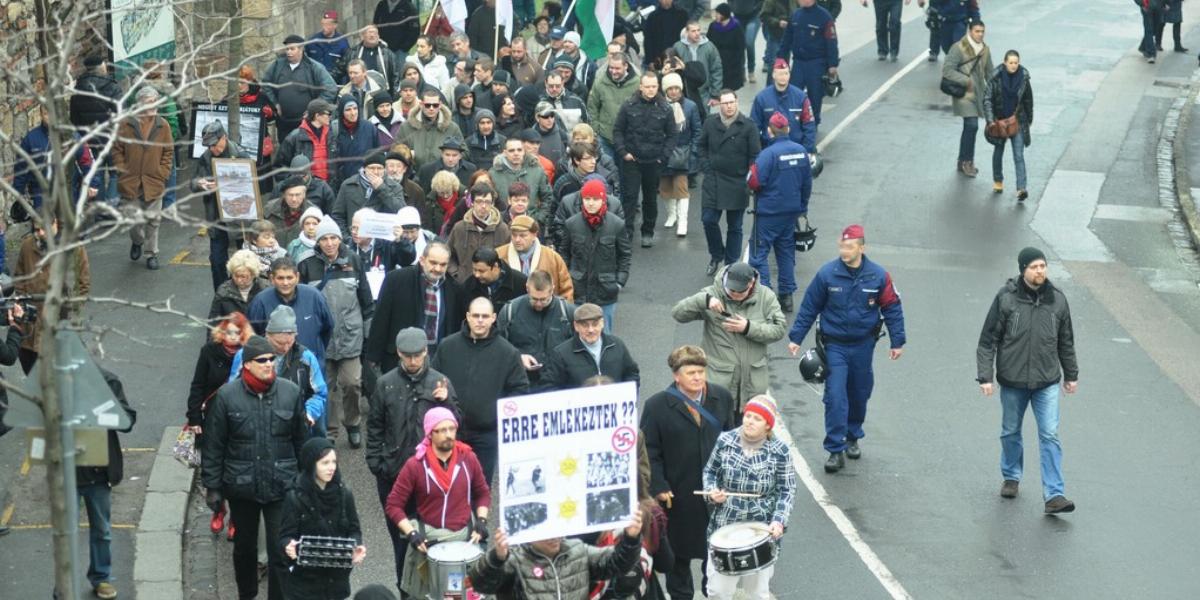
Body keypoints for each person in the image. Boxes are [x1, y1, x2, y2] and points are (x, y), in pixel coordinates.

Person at [786, 224, 906, 473]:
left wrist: (898, 341)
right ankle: (835, 449)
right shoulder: (827, 274)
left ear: (861, 248)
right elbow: (810, 307)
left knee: (859, 393)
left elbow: (892, 307)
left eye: (849, 247)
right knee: (836, 397)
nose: (844, 251)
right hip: (835, 346)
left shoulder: (878, 276)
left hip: (863, 345)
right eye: (842, 246)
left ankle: (853, 436)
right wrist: (796, 337)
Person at [203, 335, 308, 600]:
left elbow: (300, 441)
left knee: (281, 550)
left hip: (281, 485)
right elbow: (214, 445)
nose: (269, 364)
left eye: (272, 359)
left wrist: (305, 482)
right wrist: (213, 487)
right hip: (242, 487)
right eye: (262, 360)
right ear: (247, 364)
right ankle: (247, 595)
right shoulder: (227, 397)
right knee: (245, 550)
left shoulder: (290, 392)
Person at [975, 247, 1079, 514]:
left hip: (1046, 382)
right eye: (1034, 267)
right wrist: (985, 376)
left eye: (1043, 266)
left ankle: (1054, 495)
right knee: (1010, 431)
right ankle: (1011, 476)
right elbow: (988, 341)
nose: (1040, 271)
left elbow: (1066, 341)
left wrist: (1071, 375)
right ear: (1023, 269)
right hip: (1013, 381)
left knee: (1050, 435)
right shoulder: (1006, 299)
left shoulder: (1057, 300)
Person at [367, 327, 460, 592]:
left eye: (418, 355)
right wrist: (377, 464)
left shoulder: (440, 382)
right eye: (407, 356)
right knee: (400, 540)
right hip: (394, 475)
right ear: (398, 353)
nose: (413, 361)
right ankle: (404, 590)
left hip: (432, 478)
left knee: (433, 537)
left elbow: (457, 426)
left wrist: (447, 404)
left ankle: (432, 591)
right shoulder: (385, 383)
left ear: (426, 352)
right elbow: (374, 426)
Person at [640, 345, 737, 600]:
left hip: (716, 494)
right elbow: (650, 451)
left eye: (701, 371)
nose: (697, 377)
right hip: (678, 494)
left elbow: (731, 440)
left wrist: (730, 479)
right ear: (676, 376)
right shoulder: (657, 406)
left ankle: (710, 593)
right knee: (677, 558)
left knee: (714, 554)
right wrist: (659, 486)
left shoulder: (722, 397)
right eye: (691, 372)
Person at [386, 407, 491, 599]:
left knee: (466, 597)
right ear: (429, 433)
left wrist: (482, 521)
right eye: (441, 430)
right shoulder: (415, 465)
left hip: (465, 538)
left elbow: (482, 493)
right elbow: (393, 505)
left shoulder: (469, 458)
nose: (448, 435)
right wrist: (412, 533)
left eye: (452, 429)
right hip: (429, 539)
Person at [701, 396, 796, 600]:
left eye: (757, 418)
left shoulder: (781, 451)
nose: (750, 421)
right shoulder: (725, 440)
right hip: (725, 523)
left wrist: (778, 521)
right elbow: (710, 472)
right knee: (718, 590)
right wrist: (712, 492)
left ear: (768, 425)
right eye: (748, 415)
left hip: (760, 528)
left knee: (757, 593)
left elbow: (786, 490)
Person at [430, 296, 528, 481]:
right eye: (476, 316)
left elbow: (519, 389)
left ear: (493, 318)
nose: (480, 320)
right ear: (467, 316)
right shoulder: (447, 346)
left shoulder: (508, 353)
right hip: (449, 431)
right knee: (446, 486)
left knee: (479, 488)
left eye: (485, 316)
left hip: (486, 434)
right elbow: (433, 380)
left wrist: (499, 415)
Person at [298, 217, 374, 446]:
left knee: (352, 383)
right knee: (326, 387)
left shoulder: (353, 259)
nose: (329, 243)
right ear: (317, 241)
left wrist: (369, 333)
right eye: (324, 239)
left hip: (350, 334)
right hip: (321, 338)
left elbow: (366, 299)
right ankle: (329, 433)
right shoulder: (306, 264)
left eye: (333, 238)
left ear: (340, 239)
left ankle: (352, 423)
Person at [672, 263, 786, 410]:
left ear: (751, 284)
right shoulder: (713, 293)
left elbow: (779, 329)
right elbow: (678, 314)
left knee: (748, 431)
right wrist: (703, 300)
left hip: (753, 386)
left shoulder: (766, 297)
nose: (734, 294)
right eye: (731, 289)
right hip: (718, 385)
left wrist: (748, 327)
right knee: (715, 430)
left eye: (740, 291)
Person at [69, 368, 136, 600]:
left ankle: (101, 578)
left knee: (102, 530)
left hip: (97, 469)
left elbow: (127, 420)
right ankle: (64, 584)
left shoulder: (107, 380)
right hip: (66, 469)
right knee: (65, 532)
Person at [469, 513, 644, 598]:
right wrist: (496, 558)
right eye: (546, 533)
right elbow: (481, 585)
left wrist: (631, 539)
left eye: (557, 530)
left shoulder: (578, 550)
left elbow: (617, 564)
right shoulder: (515, 560)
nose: (554, 537)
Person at [279, 437, 366, 599]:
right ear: (311, 465)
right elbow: (285, 537)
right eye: (325, 463)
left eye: (334, 462)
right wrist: (288, 546)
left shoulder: (345, 494)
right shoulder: (295, 497)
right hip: (305, 585)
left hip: (336, 582)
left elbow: (354, 529)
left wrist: (357, 546)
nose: (331, 468)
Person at [746, 112, 813, 313]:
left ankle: (766, 297)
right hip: (791, 213)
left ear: (769, 130)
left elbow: (754, 181)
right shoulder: (801, 151)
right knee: (785, 253)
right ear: (788, 129)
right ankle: (787, 297)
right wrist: (802, 207)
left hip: (768, 213)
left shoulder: (768, 154)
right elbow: (807, 184)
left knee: (758, 254)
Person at [365, 242, 466, 373]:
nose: (437, 268)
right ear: (422, 260)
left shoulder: (454, 289)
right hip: (400, 358)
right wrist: (373, 358)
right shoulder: (397, 280)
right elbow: (381, 320)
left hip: (436, 360)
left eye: (443, 265)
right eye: (433, 263)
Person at [12, 220, 90, 373]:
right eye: (36, 229)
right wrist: (23, 300)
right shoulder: (28, 245)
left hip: (61, 320)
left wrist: (73, 310)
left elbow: (83, 283)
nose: (39, 233)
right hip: (32, 322)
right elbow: (19, 276)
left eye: (43, 229)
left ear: (54, 224)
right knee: (29, 364)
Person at [699, 90, 760, 275]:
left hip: (737, 182)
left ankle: (731, 263)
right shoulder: (710, 123)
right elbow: (701, 146)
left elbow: (755, 156)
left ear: (737, 102)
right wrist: (706, 166)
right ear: (719, 105)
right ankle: (716, 254)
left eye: (731, 102)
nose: (729, 106)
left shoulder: (748, 126)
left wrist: (749, 179)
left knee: (735, 227)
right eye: (725, 103)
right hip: (714, 180)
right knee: (708, 220)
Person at [613, 73, 678, 245]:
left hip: (654, 161)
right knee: (630, 197)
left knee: (650, 198)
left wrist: (663, 157)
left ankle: (647, 232)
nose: (651, 90)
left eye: (654, 86)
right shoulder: (628, 106)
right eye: (647, 86)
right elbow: (618, 130)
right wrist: (623, 152)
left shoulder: (665, 108)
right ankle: (627, 232)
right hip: (632, 160)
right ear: (640, 87)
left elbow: (672, 135)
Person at [558, 180, 632, 330]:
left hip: (606, 291)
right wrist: (566, 281)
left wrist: (619, 283)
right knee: (578, 334)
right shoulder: (571, 224)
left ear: (603, 200)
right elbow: (563, 254)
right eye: (587, 199)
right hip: (578, 289)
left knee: (604, 334)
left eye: (595, 199)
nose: (591, 203)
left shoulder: (617, 224)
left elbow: (625, 255)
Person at [113, 85, 173, 271]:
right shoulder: (125, 124)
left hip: (154, 181)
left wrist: (163, 172)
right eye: (148, 103)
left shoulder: (162, 125)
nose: (152, 106)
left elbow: (168, 151)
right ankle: (137, 241)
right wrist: (122, 170)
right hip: (131, 181)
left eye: (155, 102)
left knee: (153, 221)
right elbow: (117, 149)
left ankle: (151, 253)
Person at [496, 270, 577, 387]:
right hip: (522, 382)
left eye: (544, 299)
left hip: (558, 383)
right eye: (534, 299)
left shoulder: (567, 312)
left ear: (552, 290)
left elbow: (577, 348)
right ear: (527, 289)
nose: (539, 304)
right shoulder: (510, 311)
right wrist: (518, 357)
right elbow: (499, 347)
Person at [248, 257, 335, 361]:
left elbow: (327, 329)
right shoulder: (260, 301)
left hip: (311, 365)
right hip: (273, 367)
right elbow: (252, 336)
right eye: (280, 278)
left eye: (289, 278)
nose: (285, 283)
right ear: (272, 279)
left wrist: (317, 356)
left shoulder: (314, 297)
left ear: (297, 277)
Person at [539, 302, 640, 390]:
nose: (591, 330)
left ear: (602, 324)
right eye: (585, 325)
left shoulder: (617, 345)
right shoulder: (561, 354)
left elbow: (631, 374)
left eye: (595, 324)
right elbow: (550, 387)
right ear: (576, 326)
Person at [262, 34, 338, 141]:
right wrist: (275, 103)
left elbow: (331, 88)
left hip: (306, 122)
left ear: (301, 49)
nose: (289, 52)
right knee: (285, 153)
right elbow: (265, 84)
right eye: (287, 49)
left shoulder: (313, 67)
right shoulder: (277, 65)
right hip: (284, 123)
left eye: (292, 49)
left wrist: (314, 109)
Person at [943, 19, 993, 178]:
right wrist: (967, 81)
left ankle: (962, 160)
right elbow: (947, 71)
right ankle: (967, 162)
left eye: (982, 31)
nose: (980, 34)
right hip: (964, 93)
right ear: (970, 31)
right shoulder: (958, 48)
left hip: (979, 94)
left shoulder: (985, 50)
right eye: (977, 31)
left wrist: (995, 92)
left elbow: (990, 73)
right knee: (972, 125)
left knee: (970, 127)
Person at [777, 0, 840, 126]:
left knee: (815, 95)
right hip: (799, 62)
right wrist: (780, 59)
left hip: (816, 63)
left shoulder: (824, 16)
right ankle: (794, 123)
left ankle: (813, 122)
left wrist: (832, 65)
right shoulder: (795, 15)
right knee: (793, 94)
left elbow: (831, 41)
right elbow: (786, 40)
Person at [983, 50, 1034, 202]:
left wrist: (1028, 120)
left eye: (1016, 63)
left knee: (1018, 155)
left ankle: (1021, 188)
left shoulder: (1024, 78)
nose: (1013, 65)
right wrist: (991, 121)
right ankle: (998, 180)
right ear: (1005, 63)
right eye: (1010, 62)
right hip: (1000, 121)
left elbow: (1028, 101)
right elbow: (987, 99)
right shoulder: (996, 77)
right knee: (998, 151)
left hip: (1017, 121)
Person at [659, 73, 702, 238]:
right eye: (670, 88)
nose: (674, 91)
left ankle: (682, 221)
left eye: (677, 88)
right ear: (665, 90)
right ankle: (671, 214)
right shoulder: (660, 105)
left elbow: (697, 131)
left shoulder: (690, 106)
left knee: (681, 188)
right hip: (664, 153)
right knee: (665, 187)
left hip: (683, 153)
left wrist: (693, 152)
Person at [496, 215, 574, 301]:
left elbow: (566, 290)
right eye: (514, 235)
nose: (517, 239)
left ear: (534, 235)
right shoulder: (499, 255)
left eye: (523, 236)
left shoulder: (552, 257)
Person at [446, 183, 512, 283]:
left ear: (493, 203)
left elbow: (508, 258)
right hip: (464, 285)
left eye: (488, 202)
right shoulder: (459, 228)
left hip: (492, 285)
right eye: (479, 201)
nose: (484, 206)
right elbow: (448, 254)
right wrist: (456, 274)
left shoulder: (502, 229)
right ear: (472, 202)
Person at [331, 152, 407, 237]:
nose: (376, 172)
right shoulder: (348, 185)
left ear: (384, 169)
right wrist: (347, 239)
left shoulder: (395, 187)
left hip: (383, 241)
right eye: (371, 168)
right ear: (364, 169)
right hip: (354, 239)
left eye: (379, 168)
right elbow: (338, 216)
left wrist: (382, 188)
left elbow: (402, 212)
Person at [586, 52, 639, 160]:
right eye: (611, 68)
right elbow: (592, 107)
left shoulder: (637, 83)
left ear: (626, 66)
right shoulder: (600, 81)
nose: (613, 71)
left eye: (617, 68)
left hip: (628, 139)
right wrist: (596, 129)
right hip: (605, 137)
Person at [277, 99, 340, 188]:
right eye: (328, 113)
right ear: (317, 116)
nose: (330, 116)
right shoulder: (294, 137)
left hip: (329, 189)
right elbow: (280, 168)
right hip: (304, 191)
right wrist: (295, 183)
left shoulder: (332, 134)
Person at [489, 139, 554, 225]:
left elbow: (548, 197)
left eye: (519, 150)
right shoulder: (493, 174)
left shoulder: (537, 171)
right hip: (503, 225)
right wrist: (497, 220)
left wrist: (539, 219)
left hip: (532, 224)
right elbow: (489, 201)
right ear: (505, 153)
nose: (516, 153)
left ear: (524, 151)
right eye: (511, 150)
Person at [398, 89, 465, 170]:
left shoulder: (452, 127)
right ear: (421, 104)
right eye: (427, 105)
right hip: (414, 174)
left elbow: (464, 152)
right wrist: (409, 155)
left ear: (440, 105)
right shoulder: (406, 126)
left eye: (435, 105)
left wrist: (449, 157)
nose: (431, 108)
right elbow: (396, 150)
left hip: (443, 175)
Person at [339, 25, 406, 93]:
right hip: (357, 92)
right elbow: (339, 70)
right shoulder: (353, 53)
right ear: (362, 36)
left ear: (378, 36)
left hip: (381, 93)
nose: (372, 35)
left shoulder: (388, 54)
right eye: (369, 33)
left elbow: (396, 77)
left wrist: (395, 96)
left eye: (375, 33)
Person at [463, 247, 528, 314]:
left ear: (495, 266)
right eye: (474, 270)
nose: (477, 275)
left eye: (481, 271)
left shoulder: (521, 283)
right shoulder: (468, 286)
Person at [209, 250, 268, 320]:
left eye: (244, 277)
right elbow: (214, 322)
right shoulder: (223, 292)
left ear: (253, 275)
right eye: (236, 276)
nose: (239, 280)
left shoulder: (265, 290)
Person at [264, 176, 318, 249]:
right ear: (284, 195)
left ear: (304, 195)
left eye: (298, 195)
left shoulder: (313, 213)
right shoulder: (269, 209)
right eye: (290, 195)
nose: (294, 199)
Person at [709, 5, 747, 92]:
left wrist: (737, 62)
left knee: (730, 89)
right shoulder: (713, 26)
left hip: (732, 62)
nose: (716, 16)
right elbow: (709, 43)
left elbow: (741, 46)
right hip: (717, 60)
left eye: (718, 14)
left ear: (724, 14)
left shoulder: (736, 27)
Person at [644, 0, 690, 71]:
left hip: (678, 55)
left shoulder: (682, 14)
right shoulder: (652, 16)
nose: (666, 1)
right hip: (658, 56)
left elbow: (687, 38)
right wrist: (650, 61)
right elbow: (648, 40)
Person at [306, 10, 350, 75]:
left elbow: (346, 63)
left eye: (327, 24)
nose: (324, 27)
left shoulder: (342, 42)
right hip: (316, 80)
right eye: (323, 24)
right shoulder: (313, 41)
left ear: (335, 25)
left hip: (335, 81)